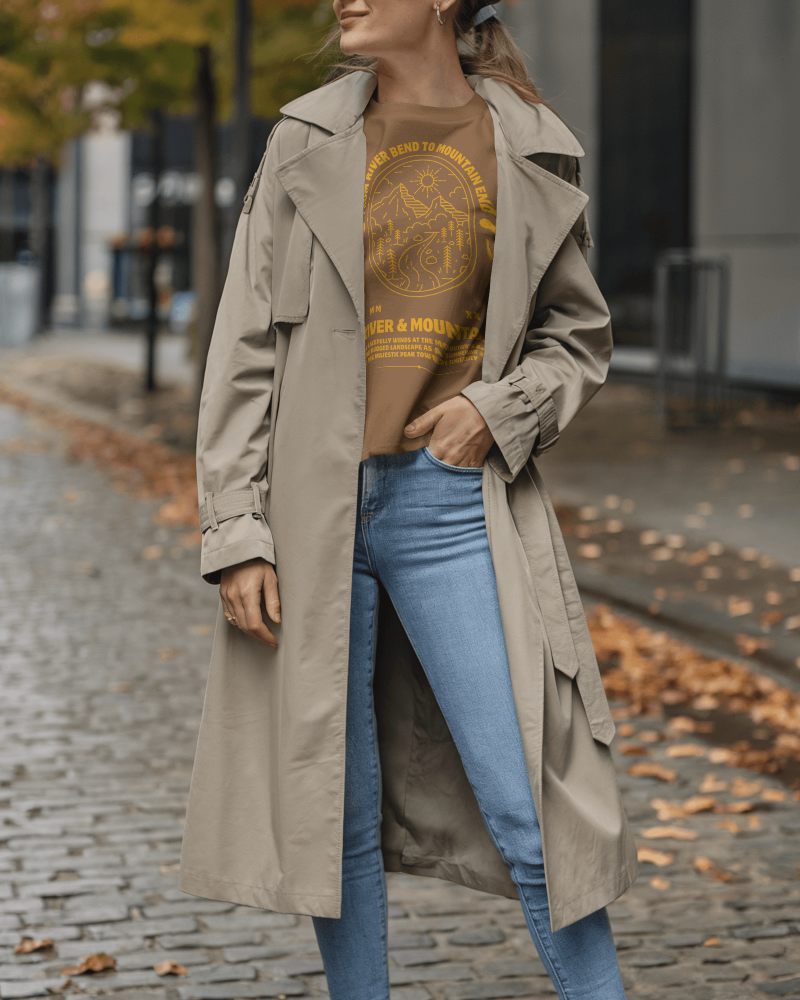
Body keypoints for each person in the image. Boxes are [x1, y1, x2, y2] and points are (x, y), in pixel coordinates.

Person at [179, 1, 639, 998]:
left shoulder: (529, 147)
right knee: (329, 821)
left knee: (534, 810)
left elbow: (576, 338)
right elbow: (244, 346)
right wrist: (236, 529)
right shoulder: (305, 138)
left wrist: (494, 408)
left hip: (452, 506)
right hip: (308, 513)